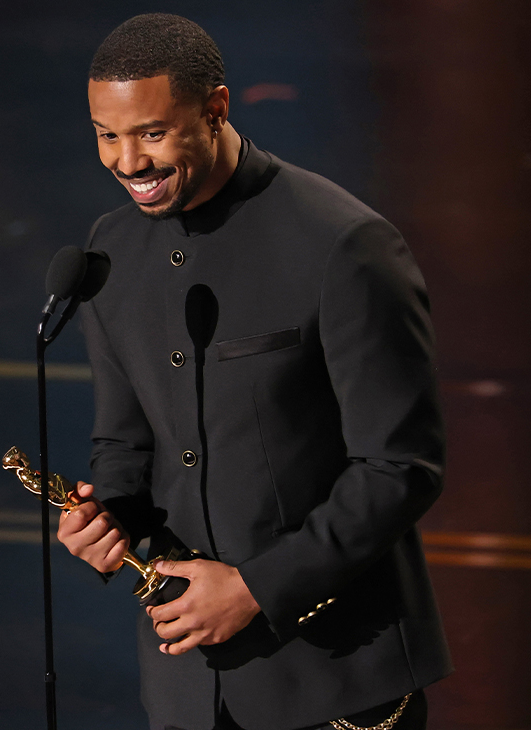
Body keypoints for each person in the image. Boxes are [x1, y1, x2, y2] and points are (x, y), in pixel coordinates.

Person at [56, 13, 452, 730]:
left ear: (216, 109)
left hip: (336, 684)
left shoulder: (342, 245)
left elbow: (400, 467)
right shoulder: (110, 251)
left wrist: (256, 589)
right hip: (187, 690)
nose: (128, 162)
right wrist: (109, 517)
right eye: (106, 135)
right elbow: (125, 440)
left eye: (151, 133)